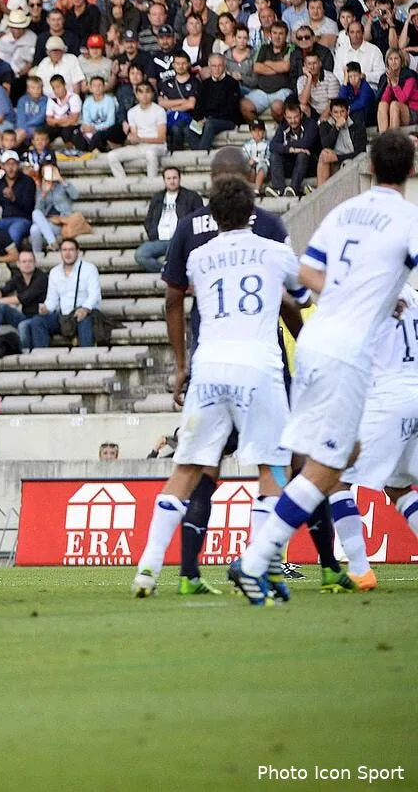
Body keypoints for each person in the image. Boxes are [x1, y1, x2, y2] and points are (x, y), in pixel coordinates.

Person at [232, 132, 418, 605]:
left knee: (340, 456)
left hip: (314, 342)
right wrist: (375, 297)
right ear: (410, 169)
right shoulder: (407, 218)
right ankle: (256, 561)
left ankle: (261, 556)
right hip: (348, 353)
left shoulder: (342, 212)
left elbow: (306, 273)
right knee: (329, 465)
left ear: (371, 166)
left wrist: (349, 292)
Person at [132, 176, 298, 599]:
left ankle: (148, 568)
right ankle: (263, 565)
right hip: (259, 368)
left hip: (209, 367)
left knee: (186, 468)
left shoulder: (199, 257)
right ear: (252, 211)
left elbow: (178, 298)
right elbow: (297, 298)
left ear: (213, 216)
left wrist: (182, 366)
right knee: (271, 468)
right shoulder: (275, 251)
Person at [328, 285, 418, 592]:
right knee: (398, 486)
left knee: (334, 478)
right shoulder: (413, 293)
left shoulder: (372, 290)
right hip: (414, 394)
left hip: (386, 398)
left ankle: (359, 570)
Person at [19, 238, 101, 348]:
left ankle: (86, 358)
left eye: (71, 250)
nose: (67, 253)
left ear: (78, 252)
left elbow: (94, 294)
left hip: (84, 313)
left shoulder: (89, 269)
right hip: (64, 317)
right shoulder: (54, 272)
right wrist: (46, 308)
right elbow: (52, 300)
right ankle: (42, 359)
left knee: (84, 321)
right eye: (64, 250)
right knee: (37, 322)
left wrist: (85, 309)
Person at [136, 168, 203, 273]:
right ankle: (165, 270)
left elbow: (200, 218)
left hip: (178, 240)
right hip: (158, 240)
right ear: (164, 180)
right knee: (140, 255)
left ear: (180, 179)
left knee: (171, 256)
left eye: (174, 178)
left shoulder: (192, 197)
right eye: (169, 178)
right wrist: (152, 232)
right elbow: (149, 219)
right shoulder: (157, 197)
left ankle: (170, 267)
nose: (172, 181)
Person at [0, 249, 48, 338]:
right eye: (24, 261)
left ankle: (26, 351)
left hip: (40, 319)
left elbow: (23, 298)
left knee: (23, 325)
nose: (27, 264)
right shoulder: (18, 277)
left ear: (35, 263)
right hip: (25, 316)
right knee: (1, 308)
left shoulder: (41, 278)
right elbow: (3, 290)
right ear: (18, 264)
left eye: (30, 261)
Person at [107, 82, 167, 179]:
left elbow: (161, 138)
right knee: (112, 156)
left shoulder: (159, 111)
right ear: (136, 94)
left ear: (152, 94)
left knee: (150, 153)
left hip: (157, 146)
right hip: (139, 146)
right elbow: (134, 136)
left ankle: (151, 183)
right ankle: (123, 183)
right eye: (141, 92)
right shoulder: (132, 112)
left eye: (147, 92)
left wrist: (141, 139)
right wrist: (130, 139)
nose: (144, 95)